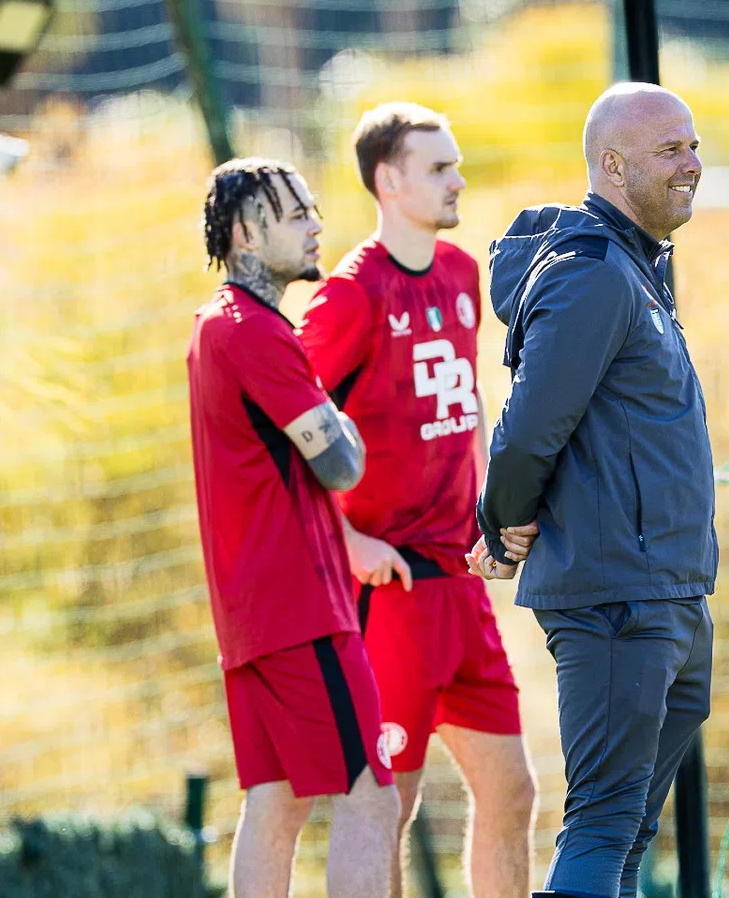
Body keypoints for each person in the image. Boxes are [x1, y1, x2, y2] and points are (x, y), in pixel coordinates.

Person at [468, 82, 717, 898]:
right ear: (612, 165)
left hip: (671, 592)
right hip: (618, 596)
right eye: (670, 149)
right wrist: (503, 524)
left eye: (692, 144)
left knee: (628, 829)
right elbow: (530, 426)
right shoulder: (592, 274)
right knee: (605, 820)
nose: (692, 163)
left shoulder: (641, 269)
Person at [296, 103, 539, 898]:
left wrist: (490, 514)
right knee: (384, 806)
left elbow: (462, 414)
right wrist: (347, 544)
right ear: (389, 180)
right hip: (389, 591)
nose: (457, 179)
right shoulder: (349, 295)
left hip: (459, 585)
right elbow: (283, 426)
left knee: (513, 789)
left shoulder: (463, 274)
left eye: (457, 164)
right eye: (439, 168)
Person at [187, 157, 401, 898]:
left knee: (276, 804)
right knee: (373, 789)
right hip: (300, 610)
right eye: (296, 214)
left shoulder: (218, 326)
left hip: (255, 618)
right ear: (247, 234)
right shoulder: (255, 333)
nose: (317, 226)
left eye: (314, 209)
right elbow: (342, 466)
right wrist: (344, 418)